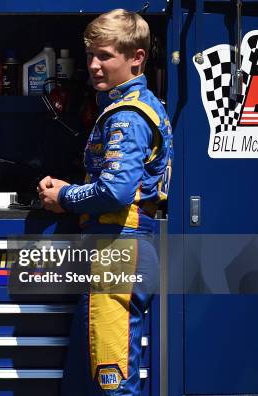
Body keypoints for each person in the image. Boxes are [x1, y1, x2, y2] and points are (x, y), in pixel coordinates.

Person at [37, 9, 173, 395]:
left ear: (137, 57)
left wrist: (63, 195)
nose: (94, 66)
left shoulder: (127, 116)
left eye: (105, 56)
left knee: (111, 381)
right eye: (91, 56)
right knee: (89, 378)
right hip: (117, 246)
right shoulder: (135, 105)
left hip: (119, 248)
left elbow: (115, 190)